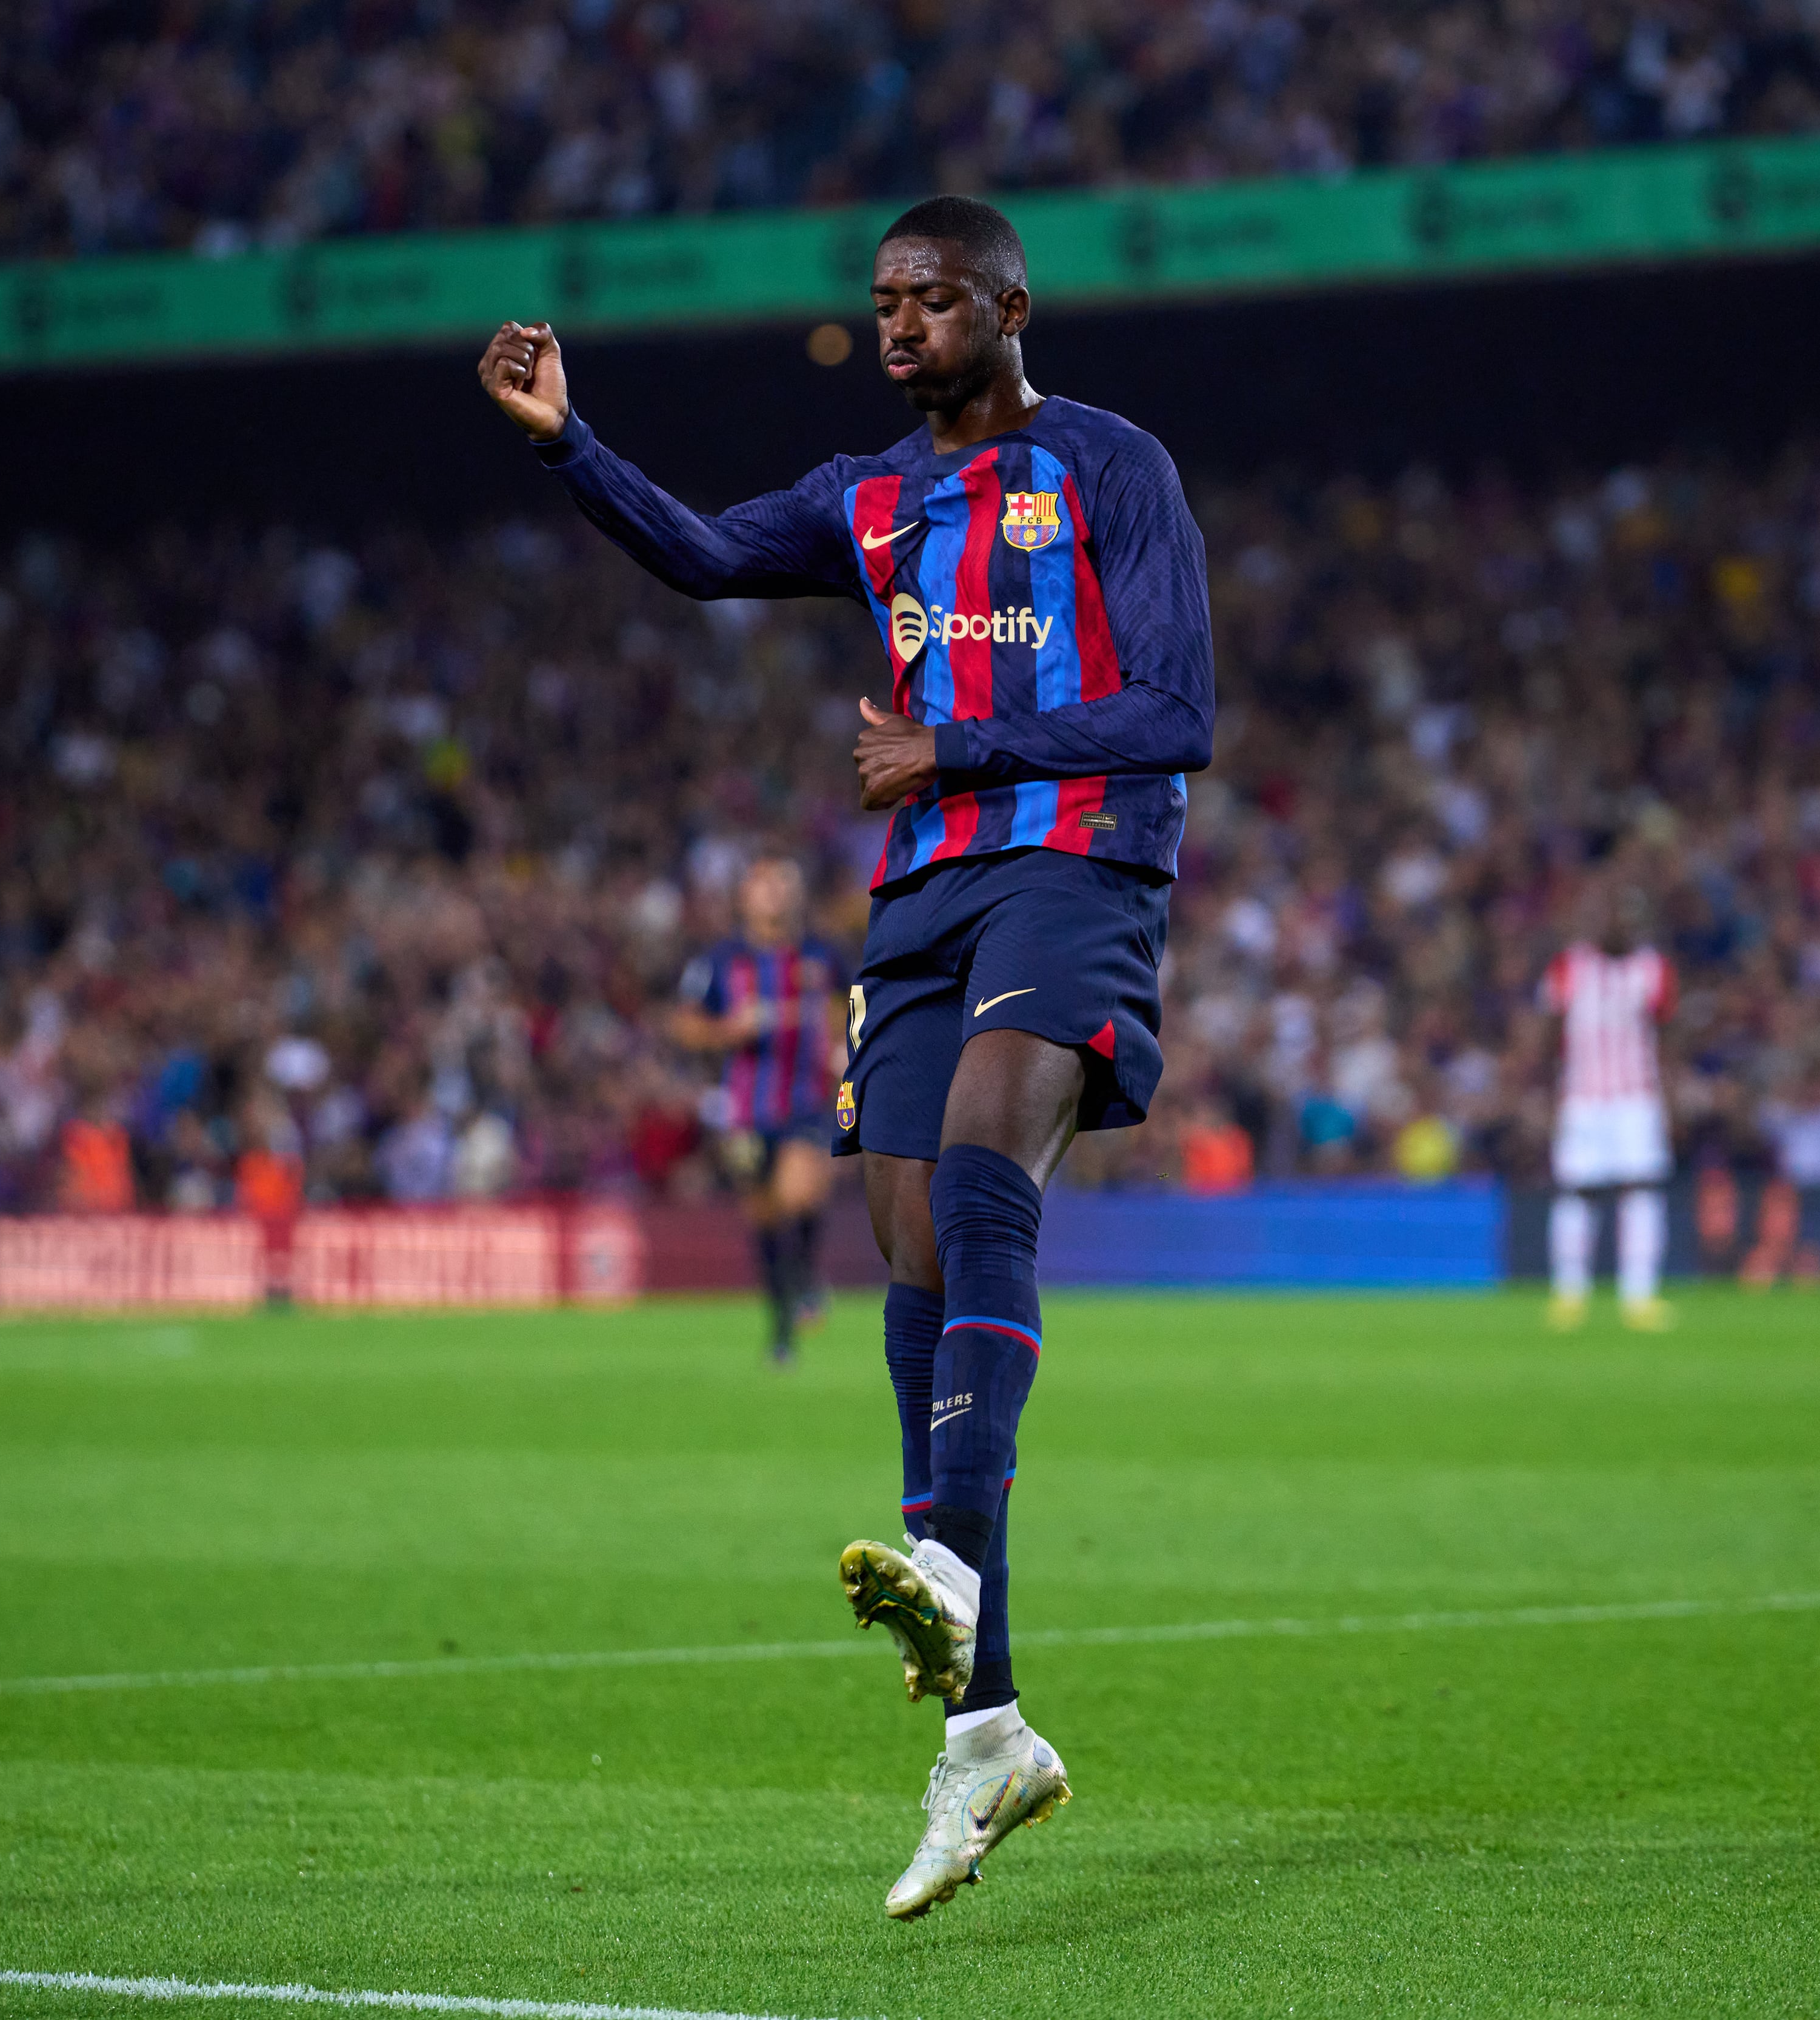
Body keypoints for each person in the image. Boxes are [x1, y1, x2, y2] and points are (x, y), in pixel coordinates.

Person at [478, 193, 1212, 1916]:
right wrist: (569, 444)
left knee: (977, 1170)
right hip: (923, 899)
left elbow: (1178, 709)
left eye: (933, 297)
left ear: (1012, 302)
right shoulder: (868, 494)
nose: (898, 324)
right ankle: (989, 1727)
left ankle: (947, 1549)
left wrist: (954, 740)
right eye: (882, 300)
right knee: (906, 1248)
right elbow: (708, 555)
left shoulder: (1113, 467)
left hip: (1078, 861)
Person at [672, 855, 848, 1363]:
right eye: (763, 883)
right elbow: (684, 1025)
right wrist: (730, 1029)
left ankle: (809, 1276)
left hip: (810, 1099)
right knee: (765, 1216)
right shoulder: (721, 960)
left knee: (798, 1193)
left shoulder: (822, 954)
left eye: (782, 882)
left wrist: (845, 1047)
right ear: (745, 897)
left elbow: (852, 1008)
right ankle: (782, 1329)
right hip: (746, 1108)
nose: (773, 892)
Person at [1541, 885, 1677, 1331]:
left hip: (1636, 1096)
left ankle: (1639, 1296)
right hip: (1584, 1097)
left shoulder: (1652, 968)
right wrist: (1548, 1090)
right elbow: (1548, 1030)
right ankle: (1569, 1294)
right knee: (1576, 1192)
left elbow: (1669, 1034)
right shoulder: (1569, 967)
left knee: (1641, 1190)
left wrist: (1668, 1096)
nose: (1616, 925)